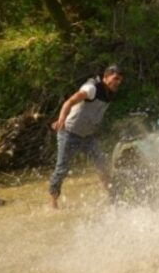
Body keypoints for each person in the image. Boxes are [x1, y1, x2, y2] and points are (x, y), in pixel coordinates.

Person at [49, 65, 123, 209]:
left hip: (88, 136)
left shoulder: (110, 93)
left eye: (120, 80)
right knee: (62, 168)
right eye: (115, 78)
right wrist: (61, 119)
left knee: (103, 165)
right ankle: (53, 204)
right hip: (69, 133)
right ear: (106, 77)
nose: (118, 82)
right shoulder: (91, 89)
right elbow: (69, 102)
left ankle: (113, 199)